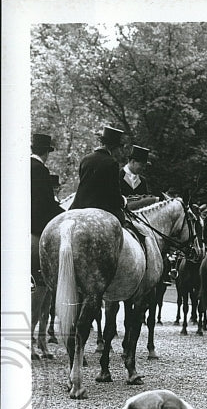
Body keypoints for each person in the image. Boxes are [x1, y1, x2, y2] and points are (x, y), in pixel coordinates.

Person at [70, 125, 154, 260]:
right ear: (114, 147)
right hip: (101, 208)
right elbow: (113, 194)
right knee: (127, 229)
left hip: (78, 205)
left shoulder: (86, 159)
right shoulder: (111, 163)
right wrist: (123, 201)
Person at [31, 133, 65, 340]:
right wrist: (64, 214)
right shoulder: (40, 169)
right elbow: (45, 202)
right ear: (46, 152)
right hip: (36, 224)